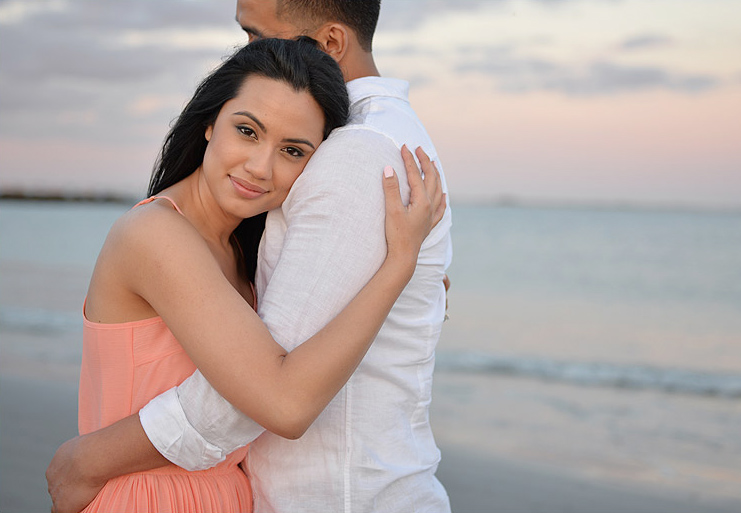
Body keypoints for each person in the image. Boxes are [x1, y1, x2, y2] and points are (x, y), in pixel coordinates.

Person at [47, 1, 453, 512]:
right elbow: (281, 400)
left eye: (293, 152)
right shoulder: (156, 234)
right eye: (247, 130)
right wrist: (399, 269)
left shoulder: (246, 246)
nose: (261, 167)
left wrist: (404, 282)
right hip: (150, 496)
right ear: (209, 123)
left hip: (226, 495)